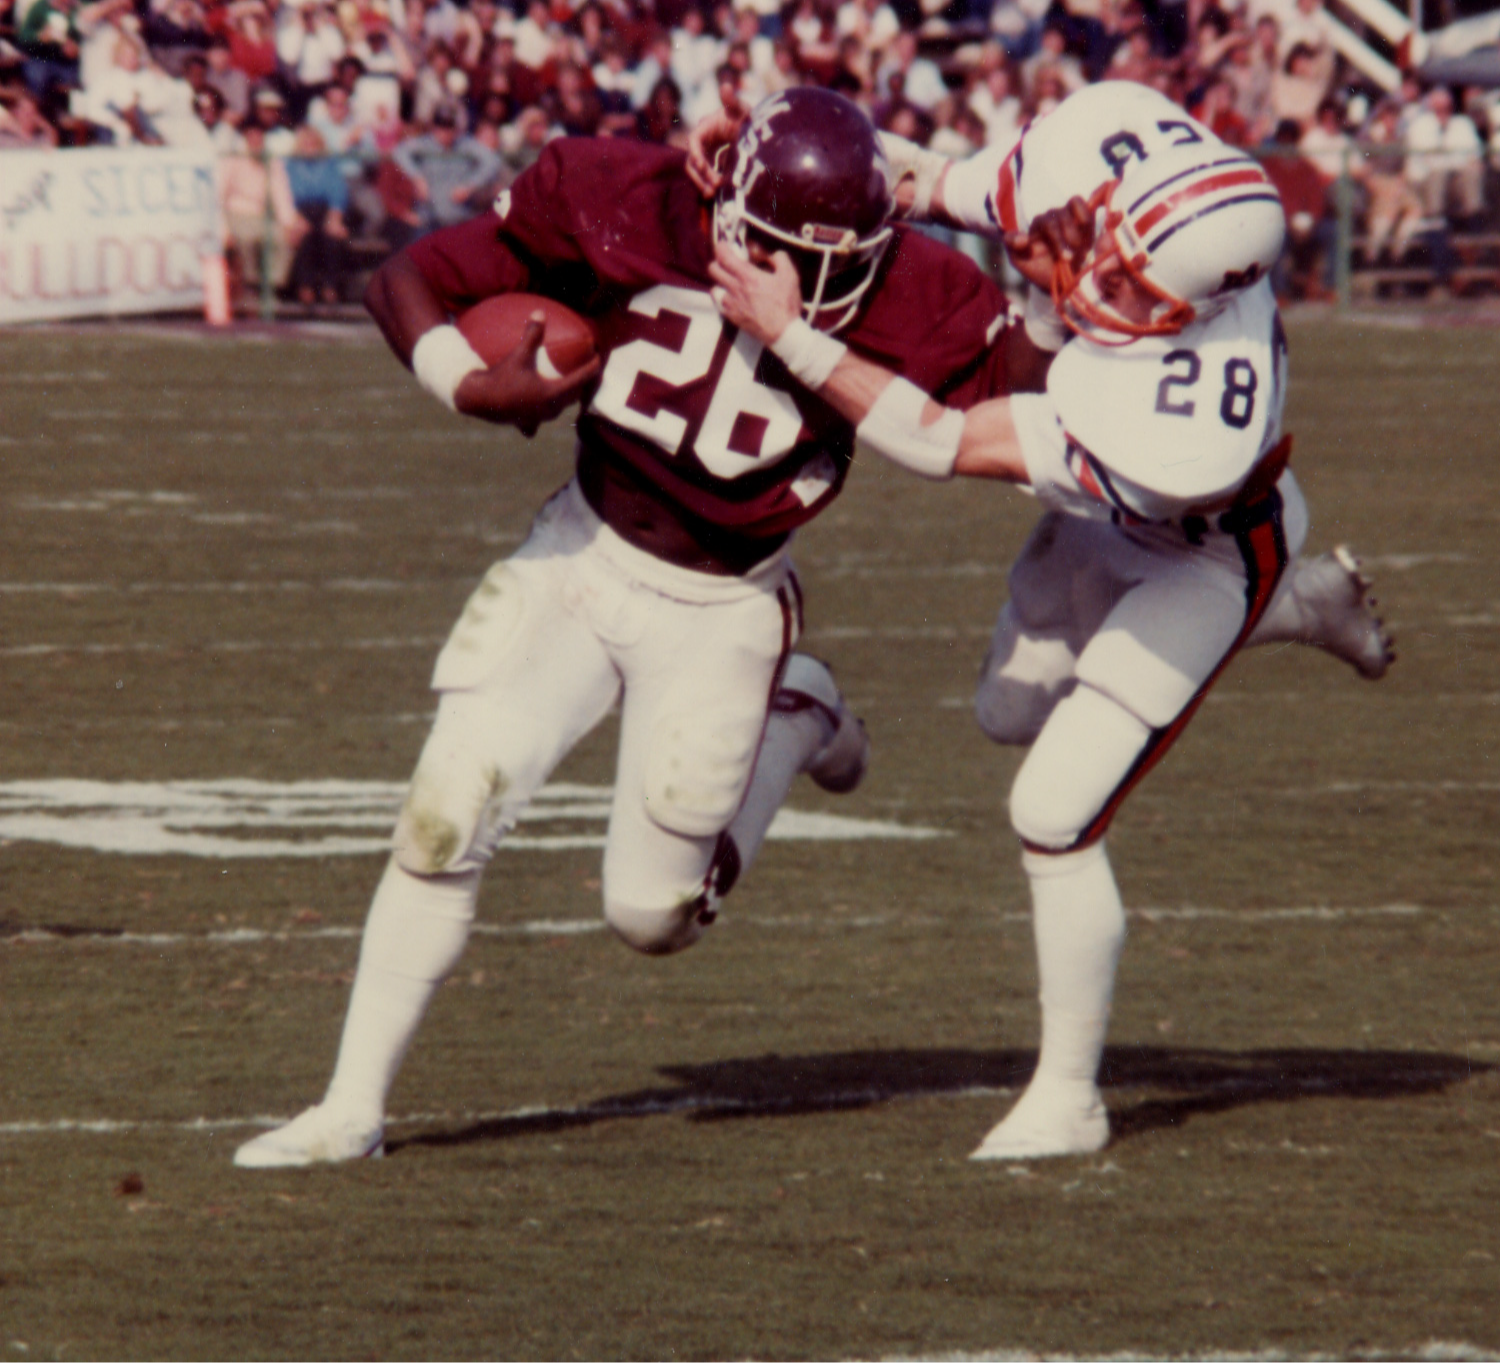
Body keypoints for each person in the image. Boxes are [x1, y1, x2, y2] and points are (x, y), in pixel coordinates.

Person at [232, 88, 1024, 1169]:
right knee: (444, 812)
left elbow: (1040, 411)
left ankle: (796, 715)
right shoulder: (626, 203)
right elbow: (407, 276)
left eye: (850, 251)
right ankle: (351, 1108)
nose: (826, 276)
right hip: (583, 552)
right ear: (725, 201)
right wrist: (466, 382)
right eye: (793, 248)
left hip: (726, 607)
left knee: (652, 916)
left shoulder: (924, 292)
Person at [696, 79, 1394, 1161]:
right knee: (1005, 708)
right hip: (1108, 512)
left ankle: (1070, 1095)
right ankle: (1308, 605)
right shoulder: (1096, 145)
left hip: (1206, 547)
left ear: (1193, 309)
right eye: (1109, 253)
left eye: (1131, 288)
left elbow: (941, 440)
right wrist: (773, 158)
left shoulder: (1184, 422)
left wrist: (789, 335)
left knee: (1053, 809)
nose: (1100, 280)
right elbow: (920, 177)